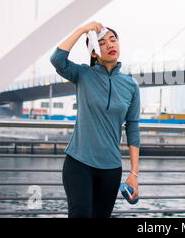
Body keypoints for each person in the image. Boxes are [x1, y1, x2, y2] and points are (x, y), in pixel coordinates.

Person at [49, 21, 141, 218]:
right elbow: (57, 59)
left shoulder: (131, 85)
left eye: (113, 40)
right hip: (79, 163)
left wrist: (134, 173)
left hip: (111, 168)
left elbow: (133, 128)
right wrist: (83, 29)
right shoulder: (82, 74)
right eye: (101, 43)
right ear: (93, 53)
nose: (109, 45)